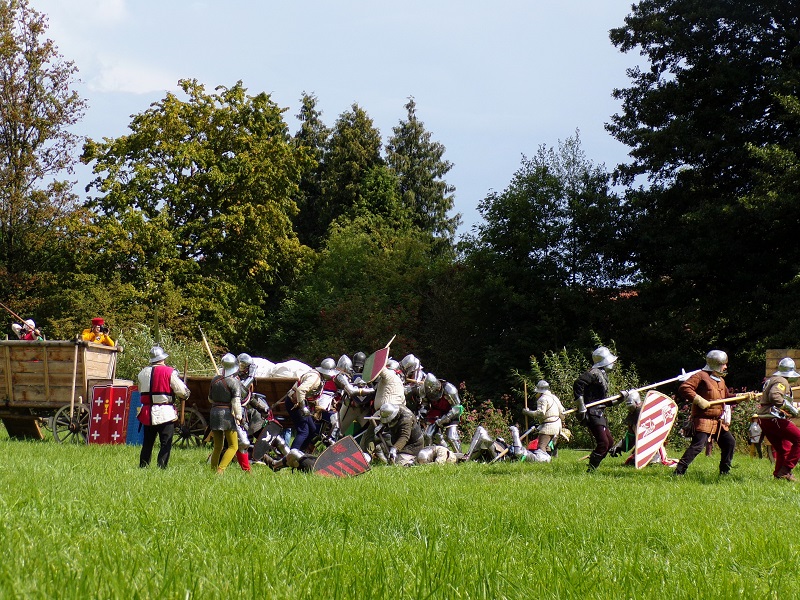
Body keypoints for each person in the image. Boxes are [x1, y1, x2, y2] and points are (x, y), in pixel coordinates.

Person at [674, 350, 739, 476]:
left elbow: (726, 398)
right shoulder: (701, 376)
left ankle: (724, 472)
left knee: (729, 443)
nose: (725, 367)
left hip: (717, 421)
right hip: (703, 419)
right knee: (698, 446)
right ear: (716, 364)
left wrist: (742, 396)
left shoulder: (720, 380)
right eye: (723, 364)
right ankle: (679, 471)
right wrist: (698, 400)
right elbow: (685, 388)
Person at [136, 346, 190, 469]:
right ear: (163, 358)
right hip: (165, 412)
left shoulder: (142, 373)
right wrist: (186, 395)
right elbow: (182, 391)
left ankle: (143, 466)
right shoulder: (170, 372)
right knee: (165, 443)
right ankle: (161, 467)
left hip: (147, 413)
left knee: (147, 443)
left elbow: (140, 390)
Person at [573, 346, 625, 472]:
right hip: (592, 413)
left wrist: (621, 398)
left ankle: (592, 467)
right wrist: (581, 405)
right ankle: (591, 470)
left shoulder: (602, 375)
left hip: (598, 412)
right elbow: (578, 383)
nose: (613, 364)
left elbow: (603, 401)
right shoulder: (594, 373)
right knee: (603, 443)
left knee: (609, 442)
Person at [756, 357, 800, 481]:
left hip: (765, 419)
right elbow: (775, 396)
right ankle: (786, 470)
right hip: (774, 418)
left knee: (783, 449)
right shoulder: (781, 381)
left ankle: (779, 475)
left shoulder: (772, 379)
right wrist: (792, 410)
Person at [208, 353, 243, 474]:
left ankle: (212, 470)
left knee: (218, 446)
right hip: (227, 415)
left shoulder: (214, 380)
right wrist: (239, 416)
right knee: (234, 446)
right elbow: (236, 401)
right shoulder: (234, 382)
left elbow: (210, 399)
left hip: (214, 412)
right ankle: (220, 470)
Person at [522, 380, 565, 462]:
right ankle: (550, 461)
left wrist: (528, 412)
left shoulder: (542, 399)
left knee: (541, 446)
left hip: (549, 426)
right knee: (548, 446)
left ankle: (543, 463)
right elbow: (562, 412)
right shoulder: (554, 397)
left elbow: (540, 413)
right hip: (557, 425)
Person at [421, 373, 463, 453]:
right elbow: (425, 405)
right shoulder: (426, 391)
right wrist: (422, 414)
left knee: (451, 437)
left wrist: (445, 419)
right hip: (436, 413)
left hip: (451, 413)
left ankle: (459, 455)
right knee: (428, 435)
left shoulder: (449, 389)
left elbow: (457, 407)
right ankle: (431, 454)